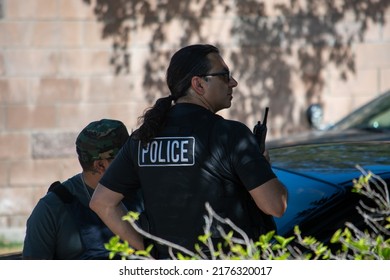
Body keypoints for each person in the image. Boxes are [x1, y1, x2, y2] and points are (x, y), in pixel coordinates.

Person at [90, 44, 288, 259]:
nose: (233, 83)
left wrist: (150, 250)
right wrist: (263, 166)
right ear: (198, 84)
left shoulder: (142, 139)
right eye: (225, 75)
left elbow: (102, 202)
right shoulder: (229, 135)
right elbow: (276, 206)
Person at [22, 119, 142, 259]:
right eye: (124, 158)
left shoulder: (143, 193)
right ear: (100, 166)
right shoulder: (52, 208)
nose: (133, 162)